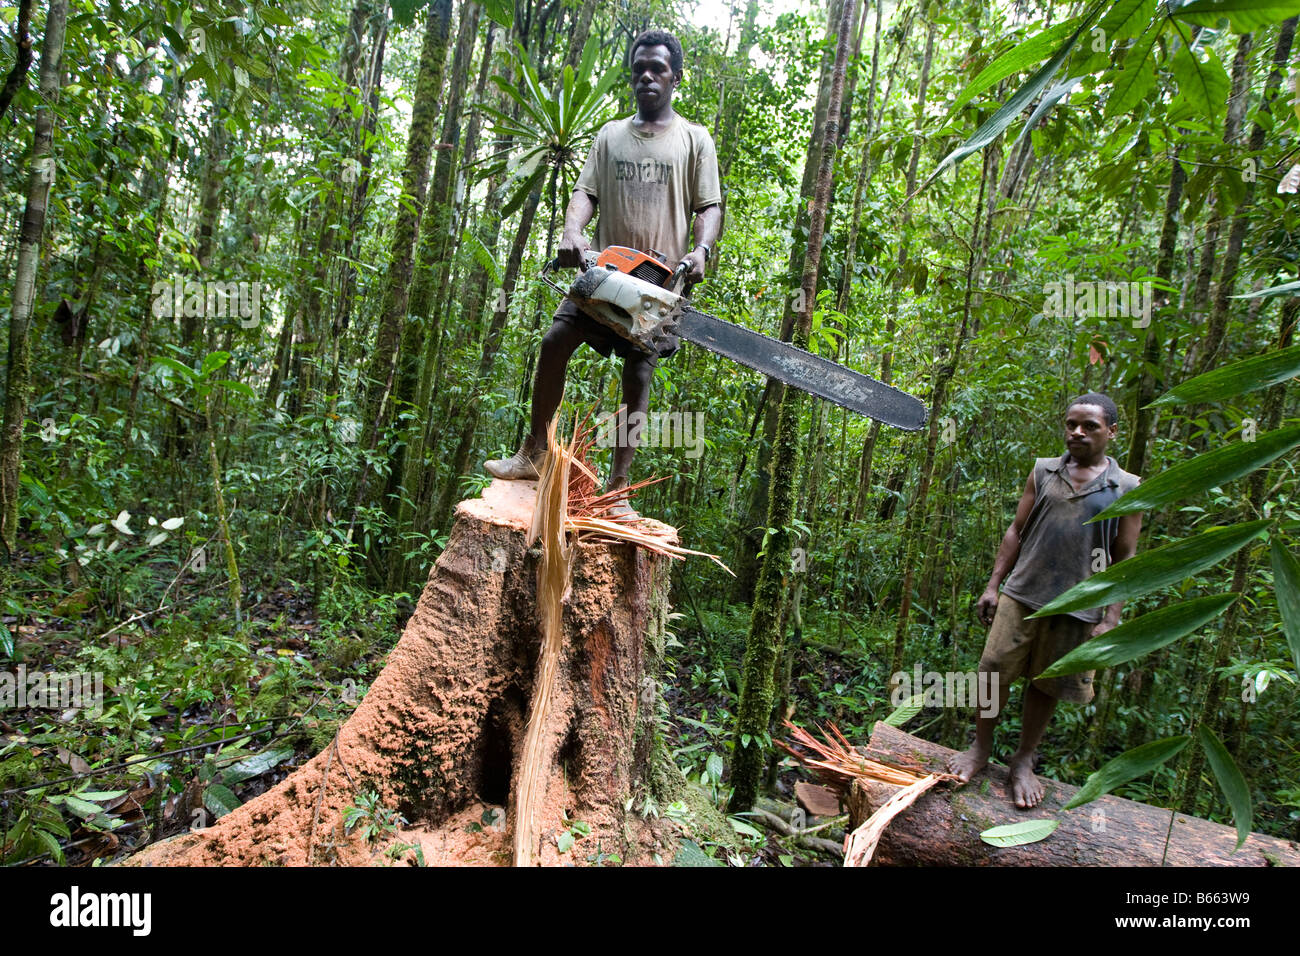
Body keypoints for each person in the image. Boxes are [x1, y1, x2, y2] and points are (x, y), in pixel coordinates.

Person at [484, 29, 723, 518]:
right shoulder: (610, 136)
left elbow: (710, 206)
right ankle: (533, 452)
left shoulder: (695, 138)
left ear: (675, 76)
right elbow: (584, 194)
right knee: (555, 341)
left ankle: (617, 489)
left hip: (661, 283)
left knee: (638, 373)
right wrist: (573, 232)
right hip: (607, 271)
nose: (647, 77)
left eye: (657, 68)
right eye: (639, 69)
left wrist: (700, 250)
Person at [947, 392, 1143, 808]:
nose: (1077, 432)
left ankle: (1022, 761)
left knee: (1048, 684)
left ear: (1111, 431)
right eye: (1071, 424)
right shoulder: (1043, 471)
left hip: (1078, 604)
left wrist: (1111, 616)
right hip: (1022, 592)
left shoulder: (1126, 488)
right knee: (993, 671)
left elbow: (1126, 555)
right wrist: (992, 585)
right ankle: (980, 749)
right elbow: (1016, 530)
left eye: (1089, 426)